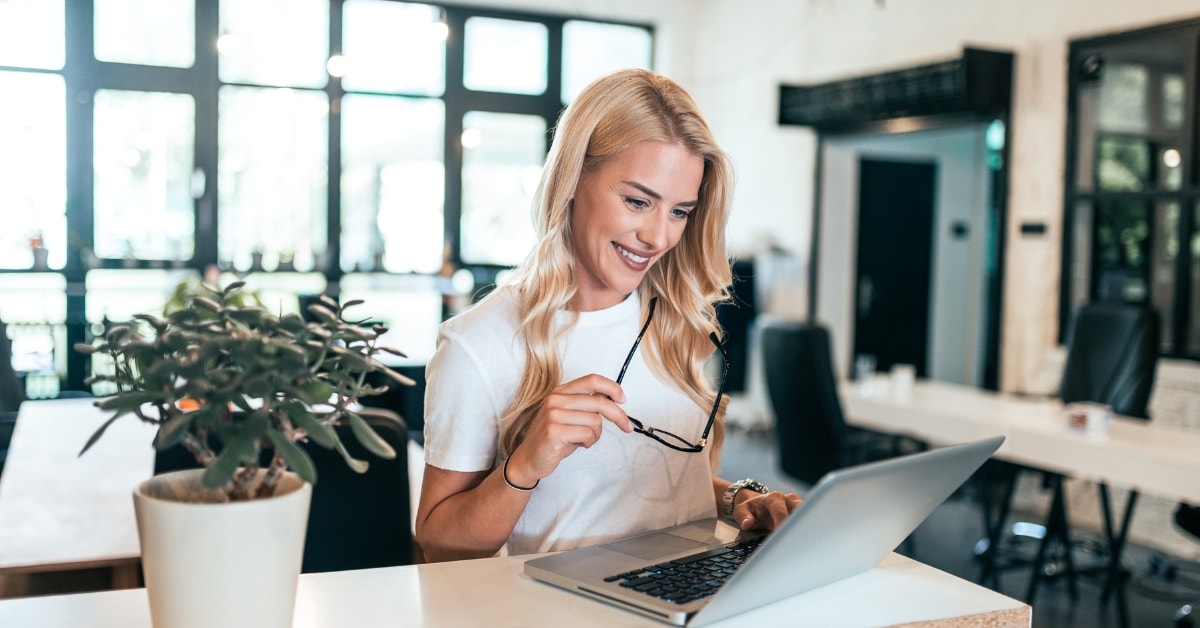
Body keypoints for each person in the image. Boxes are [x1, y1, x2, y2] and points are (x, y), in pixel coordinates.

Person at [415, 68, 801, 563]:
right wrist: (527, 462)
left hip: (686, 594)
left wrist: (738, 500)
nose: (659, 237)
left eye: (680, 211)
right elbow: (439, 541)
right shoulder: (479, 344)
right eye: (638, 201)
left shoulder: (673, 318)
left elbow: (658, 479)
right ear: (574, 178)